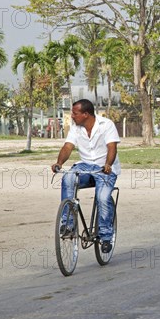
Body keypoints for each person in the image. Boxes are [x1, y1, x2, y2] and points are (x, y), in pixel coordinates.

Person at [51, 99, 121, 254]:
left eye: (75, 113)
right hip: (85, 166)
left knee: (103, 198)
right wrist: (59, 163)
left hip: (105, 168)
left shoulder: (106, 125)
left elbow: (112, 147)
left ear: (85, 114)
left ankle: (106, 235)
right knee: (68, 177)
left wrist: (108, 164)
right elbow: (68, 146)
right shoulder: (76, 128)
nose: (72, 116)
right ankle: (68, 224)